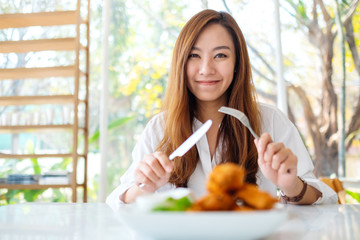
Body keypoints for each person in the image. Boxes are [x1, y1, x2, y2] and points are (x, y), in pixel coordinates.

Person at [106, 9, 337, 210]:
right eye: (194, 55)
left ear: (237, 63)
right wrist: (143, 186)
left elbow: (325, 199)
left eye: (220, 55)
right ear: (181, 63)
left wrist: (290, 185)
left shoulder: (269, 121)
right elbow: (117, 201)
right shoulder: (160, 128)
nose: (206, 69)